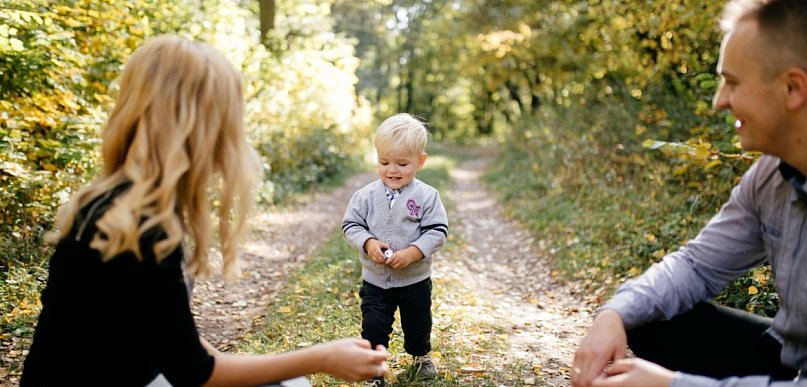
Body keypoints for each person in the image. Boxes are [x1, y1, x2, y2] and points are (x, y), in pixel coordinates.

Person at [21, 35, 388, 387]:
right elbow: (194, 372)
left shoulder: (122, 207)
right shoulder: (141, 228)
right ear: (201, 129)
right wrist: (319, 359)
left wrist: (309, 360)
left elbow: (181, 347)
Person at [571, 0, 807, 386]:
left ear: (792, 87)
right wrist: (612, 314)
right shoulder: (769, 175)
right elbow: (696, 265)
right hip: (791, 357)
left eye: (731, 81)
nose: (720, 100)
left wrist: (673, 384)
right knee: (645, 315)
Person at [341, 113, 449, 386]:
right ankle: (374, 372)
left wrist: (415, 251)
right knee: (374, 326)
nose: (392, 170)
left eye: (402, 163)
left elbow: (437, 231)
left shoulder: (427, 196)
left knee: (418, 323)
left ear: (420, 161)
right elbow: (351, 225)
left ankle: (421, 357)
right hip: (377, 280)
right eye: (384, 162)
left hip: (415, 280)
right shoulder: (365, 196)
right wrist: (368, 242)